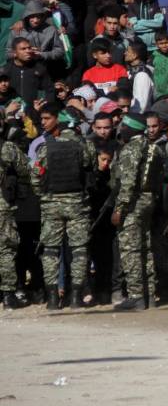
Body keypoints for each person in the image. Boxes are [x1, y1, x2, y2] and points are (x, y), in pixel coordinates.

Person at [31, 104, 98, 310]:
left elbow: (35, 178)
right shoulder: (86, 145)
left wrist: (46, 197)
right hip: (78, 204)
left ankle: (52, 298)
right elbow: (92, 171)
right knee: (79, 250)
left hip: (52, 205)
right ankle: (76, 297)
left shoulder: (46, 147)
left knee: (51, 251)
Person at [110, 112, 166, 311]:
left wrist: (119, 209)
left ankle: (136, 296)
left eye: (124, 127)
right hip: (149, 200)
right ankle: (149, 294)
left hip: (133, 203)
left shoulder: (131, 149)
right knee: (146, 247)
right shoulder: (153, 148)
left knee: (131, 249)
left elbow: (128, 182)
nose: (121, 130)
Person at [0, 122, 30, 309]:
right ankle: (8, 295)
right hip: (3, 204)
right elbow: (25, 170)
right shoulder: (8, 147)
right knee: (5, 250)